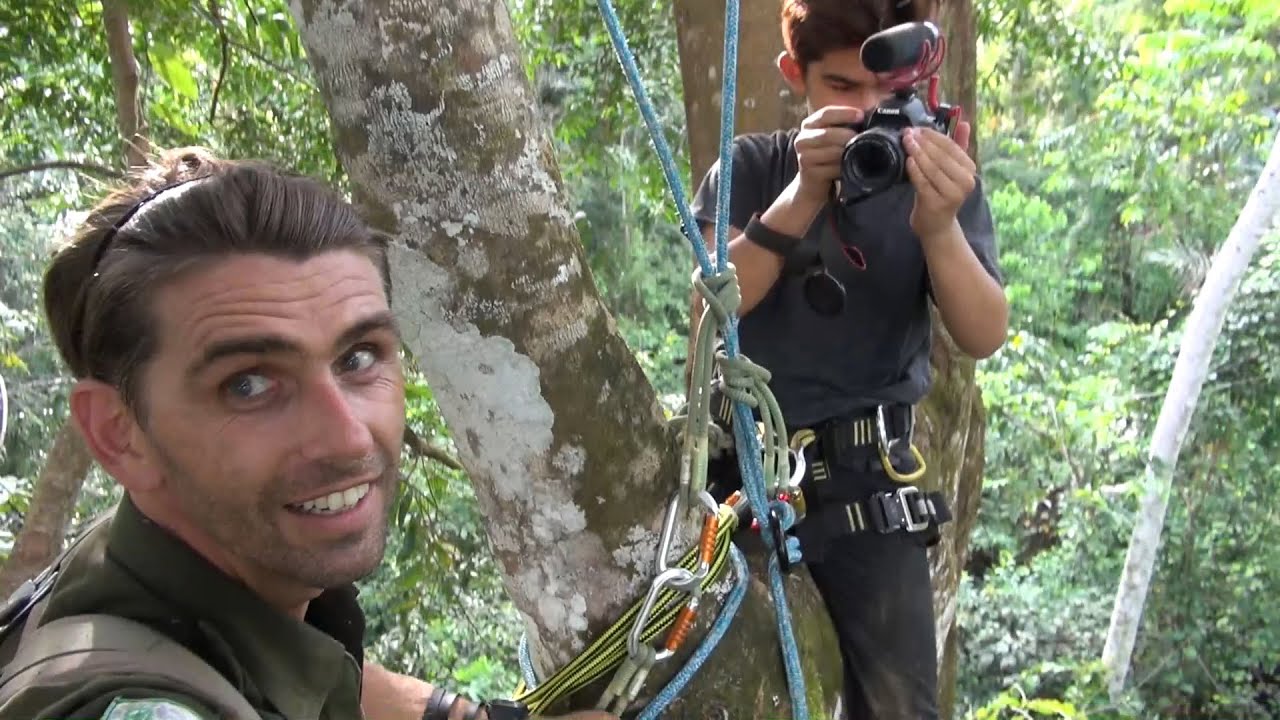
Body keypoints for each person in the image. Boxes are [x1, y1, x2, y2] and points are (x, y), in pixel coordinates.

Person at [0, 147, 613, 720]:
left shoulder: (136, 572)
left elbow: (296, 673)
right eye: (247, 385)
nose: (347, 439)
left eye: (359, 357)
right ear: (118, 434)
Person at [687, 0, 1007, 718]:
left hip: (872, 492)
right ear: (793, 73)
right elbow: (712, 305)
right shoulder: (752, 166)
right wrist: (802, 195)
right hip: (744, 482)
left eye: (887, 92)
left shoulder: (935, 179)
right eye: (841, 87)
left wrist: (938, 226)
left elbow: (983, 331)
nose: (866, 110)